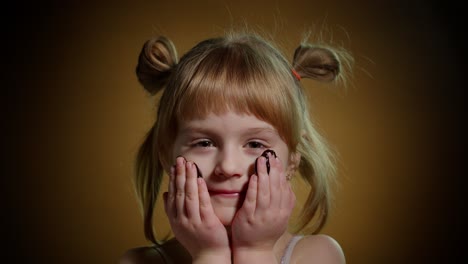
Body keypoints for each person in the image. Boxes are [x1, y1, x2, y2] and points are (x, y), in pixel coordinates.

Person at [120, 30, 353, 264]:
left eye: (255, 144)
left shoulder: (318, 255)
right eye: (204, 143)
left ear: (293, 158)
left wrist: (256, 251)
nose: (228, 167)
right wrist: (209, 255)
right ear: (165, 153)